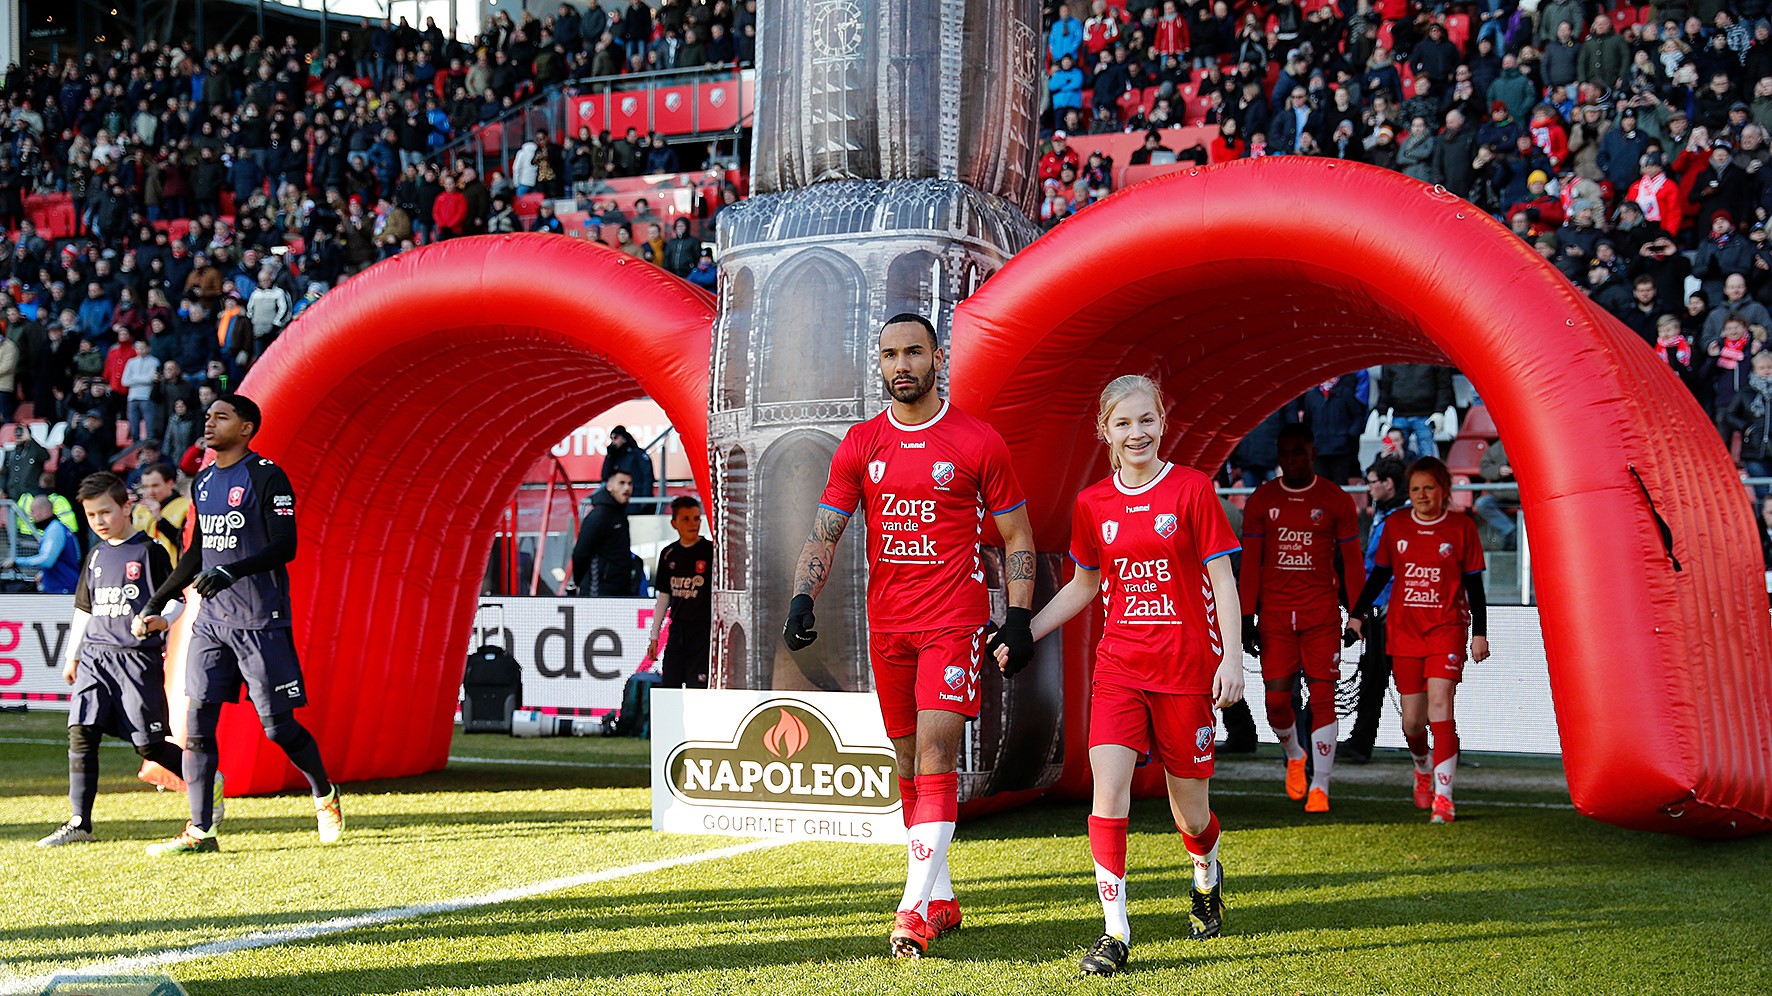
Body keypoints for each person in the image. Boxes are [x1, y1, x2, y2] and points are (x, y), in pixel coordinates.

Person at [785, 313, 1035, 959]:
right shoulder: (861, 443)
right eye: (891, 354)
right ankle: (944, 897)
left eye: (914, 352)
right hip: (887, 625)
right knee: (906, 767)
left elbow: (1018, 539)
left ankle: (912, 910)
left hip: (953, 621)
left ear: (938, 357)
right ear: (880, 362)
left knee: (935, 759)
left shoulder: (978, 441)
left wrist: (1016, 615)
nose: (902, 364)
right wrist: (801, 596)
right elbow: (824, 531)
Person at [1001, 374, 1242, 976]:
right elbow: (1086, 585)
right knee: (1108, 794)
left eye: (1146, 420)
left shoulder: (1191, 490)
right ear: (1105, 431)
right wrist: (1023, 631)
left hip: (1186, 672)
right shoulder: (1093, 504)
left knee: (1190, 813)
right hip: (1119, 670)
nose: (1136, 433)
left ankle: (1206, 870)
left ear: (1163, 423)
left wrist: (1232, 660)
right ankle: (1115, 933)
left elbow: (1222, 581)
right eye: (1123, 423)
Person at [136, 394, 343, 854]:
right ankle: (200, 830)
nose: (209, 423)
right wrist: (156, 600)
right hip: (211, 621)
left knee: (278, 728)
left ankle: (324, 793)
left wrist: (234, 570)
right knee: (197, 726)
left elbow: (284, 546)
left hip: (260, 619)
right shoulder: (204, 481)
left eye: (221, 417)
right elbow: (195, 553)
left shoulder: (268, 476)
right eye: (207, 416)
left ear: (247, 428)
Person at [37, 473, 195, 847]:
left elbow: (176, 599)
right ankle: (80, 822)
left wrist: (162, 620)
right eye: (92, 515)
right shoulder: (94, 555)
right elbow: (84, 609)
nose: (100, 521)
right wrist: (72, 656)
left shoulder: (149, 551)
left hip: (136, 660)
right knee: (81, 731)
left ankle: (207, 779)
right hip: (95, 658)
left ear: (127, 507)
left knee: (149, 745)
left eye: (106, 512)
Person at [1348, 456, 1491, 824]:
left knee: (1441, 706)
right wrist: (1358, 615)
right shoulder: (1396, 526)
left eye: (1429, 488)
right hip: (1405, 631)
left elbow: (1475, 586)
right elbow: (1379, 576)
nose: (1423, 495)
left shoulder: (1461, 528)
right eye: (1416, 489)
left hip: (1447, 628)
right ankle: (1422, 765)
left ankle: (1444, 798)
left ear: (1444, 490)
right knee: (1413, 722)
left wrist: (1479, 633)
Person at [1238, 423, 1364, 812]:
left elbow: (1353, 565)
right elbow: (1252, 564)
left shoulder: (1336, 500)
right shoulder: (1262, 500)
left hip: (1321, 615)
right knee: (1277, 701)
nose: (1291, 460)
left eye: (1299, 452)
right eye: (1285, 453)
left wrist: (1356, 615)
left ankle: (1321, 787)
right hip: (1275, 616)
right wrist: (1246, 617)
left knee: (1324, 695)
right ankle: (1295, 754)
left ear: (1312, 453)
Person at [1339, 456, 1408, 762]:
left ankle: (1362, 741)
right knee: (1375, 677)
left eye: (1371, 482)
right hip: (1383, 608)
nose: (1367, 488)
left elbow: (1382, 569)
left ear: (1388, 484)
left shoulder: (1399, 519)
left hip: (1393, 610)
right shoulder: (1388, 515)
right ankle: (1361, 741)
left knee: (1389, 678)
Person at [647, 496, 713, 688]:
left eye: (696, 518)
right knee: (670, 686)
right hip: (677, 631)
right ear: (674, 523)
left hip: (703, 632)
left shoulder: (710, 551)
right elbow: (664, 596)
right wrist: (654, 636)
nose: (693, 524)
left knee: (698, 688)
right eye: (686, 519)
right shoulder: (669, 554)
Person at [567, 469, 637, 595]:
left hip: (618, 589)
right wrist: (579, 581)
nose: (627, 488)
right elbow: (580, 553)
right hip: (599, 590)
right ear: (609, 486)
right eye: (621, 483)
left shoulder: (619, 514)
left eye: (630, 483)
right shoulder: (599, 515)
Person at [9, 495, 81, 593]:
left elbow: (47, 560)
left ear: (44, 511)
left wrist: (16, 561)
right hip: (67, 585)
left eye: (33, 511)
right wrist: (43, 573)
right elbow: (77, 556)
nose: (31, 516)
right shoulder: (62, 528)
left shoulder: (54, 530)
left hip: (61, 588)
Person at [133, 462, 192, 564]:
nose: (150, 491)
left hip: (172, 569)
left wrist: (160, 519)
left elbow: (185, 542)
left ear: (170, 484)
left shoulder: (186, 507)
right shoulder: (139, 509)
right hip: (143, 566)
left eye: (155, 486)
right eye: (146, 487)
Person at [601, 425, 656, 514]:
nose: (613, 442)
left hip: (636, 499)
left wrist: (646, 501)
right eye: (611, 439)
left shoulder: (637, 454)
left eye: (616, 438)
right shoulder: (614, 456)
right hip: (618, 501)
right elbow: (605, 476)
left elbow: (647, 476)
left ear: (624, 439)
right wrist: (609, 456)